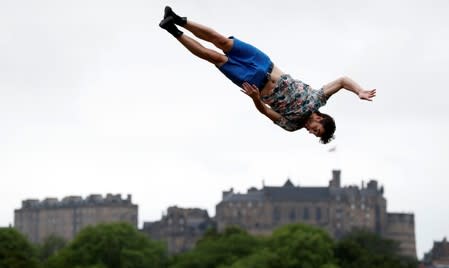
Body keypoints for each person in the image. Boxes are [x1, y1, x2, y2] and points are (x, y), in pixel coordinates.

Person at [159, 6, 376, 144]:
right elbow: (342, 81)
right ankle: (178, 19)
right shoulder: (317, 99)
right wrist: (359, 91)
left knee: (214, 57)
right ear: (321, 119)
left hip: (255, 84)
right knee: (223, 41)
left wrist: (255, 98)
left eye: (314, 134)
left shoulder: (292, 125)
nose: (311, 132)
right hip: (264, 64)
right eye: (316, 130)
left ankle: (172, 30)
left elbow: (265, 112)